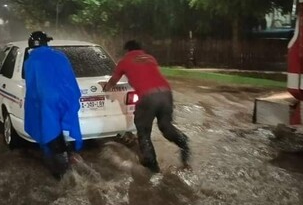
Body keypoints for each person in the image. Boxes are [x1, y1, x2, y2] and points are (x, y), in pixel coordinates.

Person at [102, 40, 190, 172]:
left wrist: (105, 90)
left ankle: (152, 167)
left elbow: (113, 81)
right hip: (166, 93)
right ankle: (183, 142)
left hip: (147, 97)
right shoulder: (150, 58)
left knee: (143, 133)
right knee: (166, 127)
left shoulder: (124, 61)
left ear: (127, 51)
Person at [24, 30, 83, 178]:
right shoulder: (60, 56)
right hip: (65, 97)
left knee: (48, 129)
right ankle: (66, 154)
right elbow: (69, 77)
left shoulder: (31, 61)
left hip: (46, 100)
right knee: (57, 127)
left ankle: (60, 172)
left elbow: (32, 86)